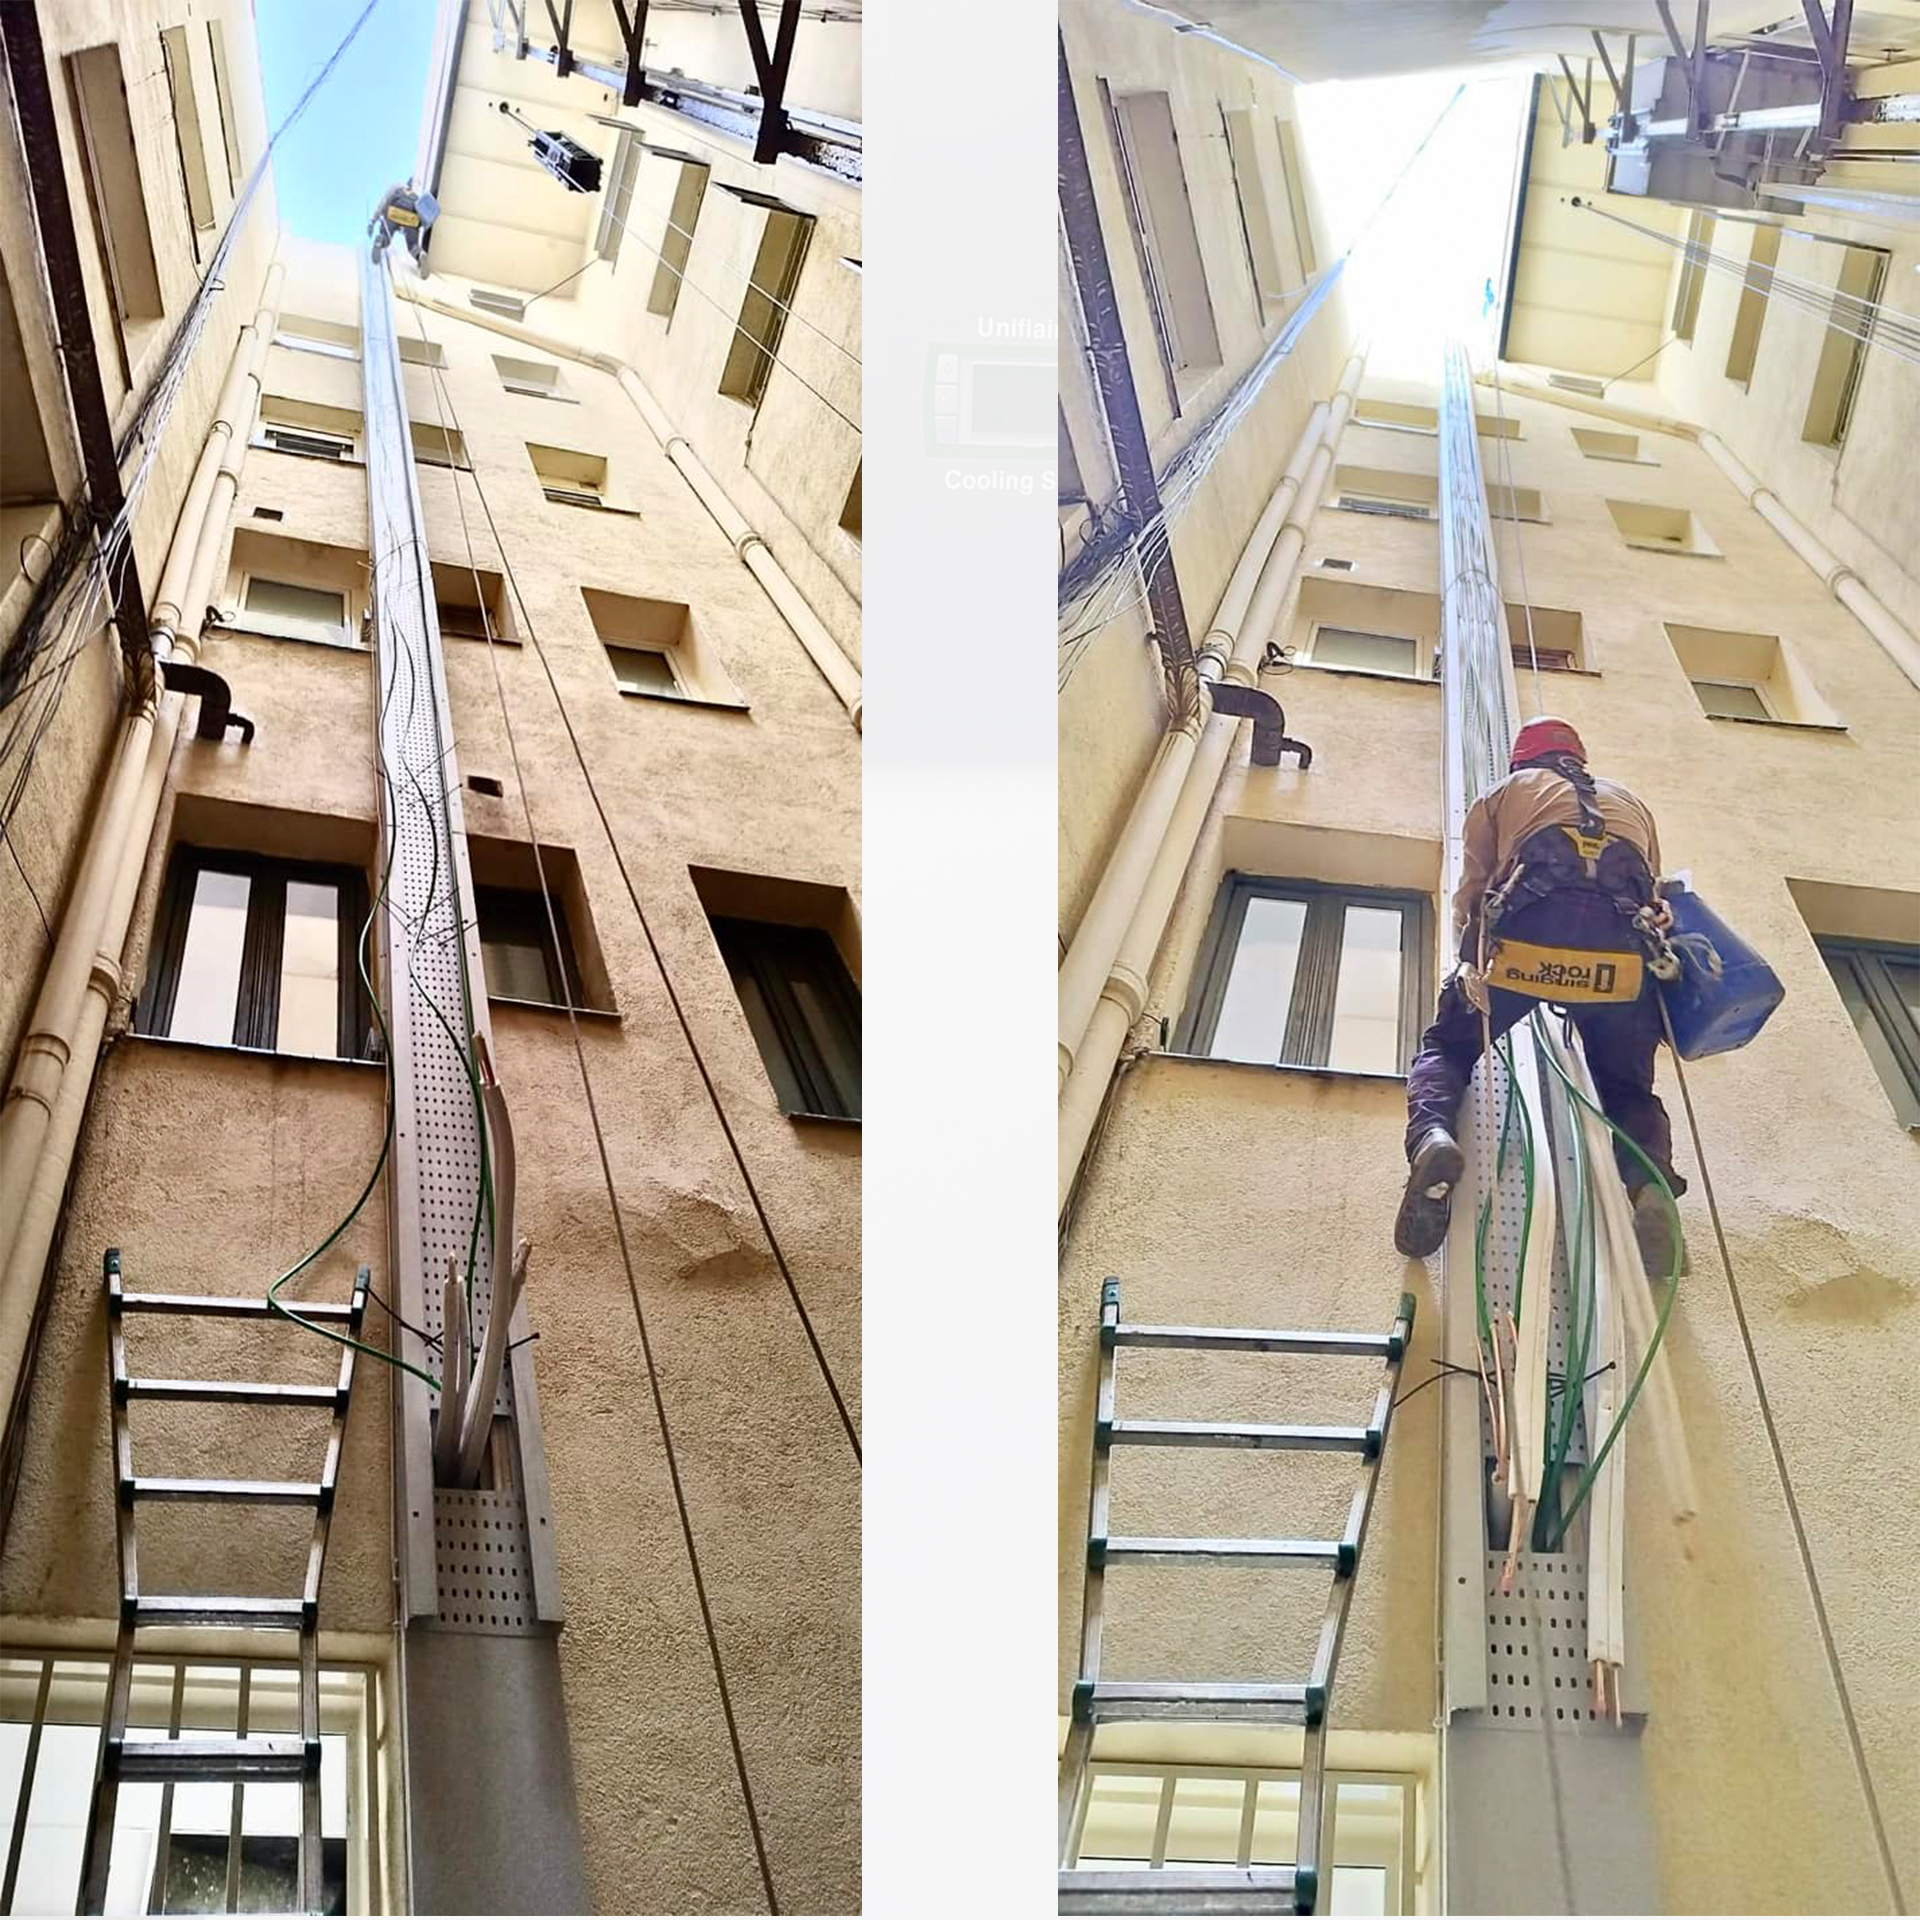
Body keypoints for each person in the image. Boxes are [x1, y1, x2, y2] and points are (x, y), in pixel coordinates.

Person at [1393, 716, 1687, 1275]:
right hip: (1619, 959)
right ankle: (1649, 1183)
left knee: (1447, 1048)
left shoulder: (1505, 793)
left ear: (1523, 758)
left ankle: (1432, 1136)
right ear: (1579, 756)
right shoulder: (1631, 803)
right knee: (1627, 1088)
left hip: (1525, 940)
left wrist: (1468, 964)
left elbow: (1473, 891)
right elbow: (1652, 888)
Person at [369, 180, 439, 265]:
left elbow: (383, 203)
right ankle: (419, 255)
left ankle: (381, 240)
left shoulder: (395, 187)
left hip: (394, 211)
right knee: (413, 245)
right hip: (412, 215)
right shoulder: (414, 195)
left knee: (386, 235)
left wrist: (372, 221)